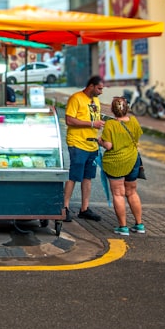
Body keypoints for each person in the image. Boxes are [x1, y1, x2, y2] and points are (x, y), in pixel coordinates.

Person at [99, 96, 146, 236]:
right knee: (132, 192)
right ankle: (139, 224)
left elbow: (108, 145)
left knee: (118, 193)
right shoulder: (134, 121)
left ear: (112, 110)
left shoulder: (110, 124)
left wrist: (100, 141)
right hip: (133, 160)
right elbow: (137, 138)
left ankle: (123, 227)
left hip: (116, 163)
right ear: (127, 108)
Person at [62, 75, 105, 222]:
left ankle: (84, 208)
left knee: (88, 177)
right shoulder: (76, 98)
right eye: (99, 88)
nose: (101, 92)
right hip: (77, 143)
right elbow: (69, 120)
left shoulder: (96, 101)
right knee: (74, 175)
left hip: (92, 144)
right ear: (91, 86)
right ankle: (65, 207)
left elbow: (94, 119)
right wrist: (92, 125)